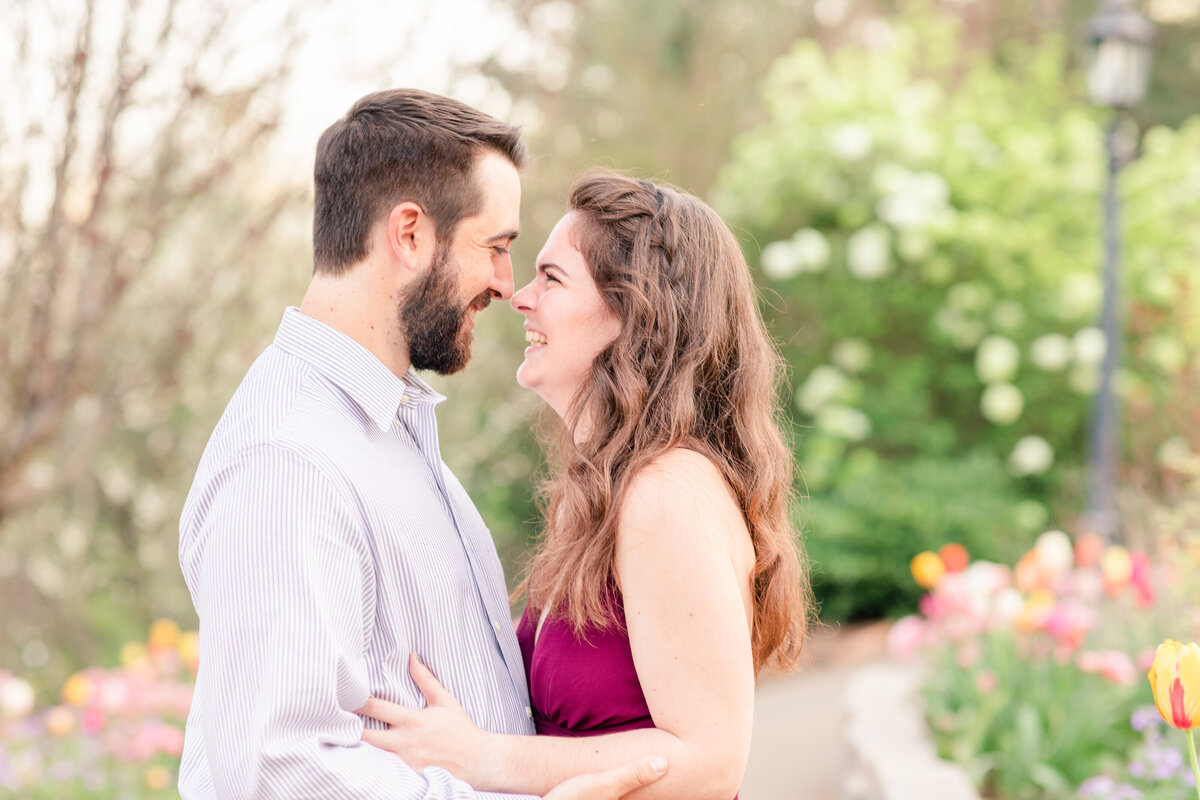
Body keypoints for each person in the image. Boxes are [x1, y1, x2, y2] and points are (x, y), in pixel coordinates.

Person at [177, 91, 667, 800]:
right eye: (495, 247)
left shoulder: (384, 430)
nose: (507, 284)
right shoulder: (288, 461)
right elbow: (278, 770)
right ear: (409, 234)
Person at [357, 171, 812, 799]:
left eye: (552, 278)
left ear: (633, 313)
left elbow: (710, 762)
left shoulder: (667, 493)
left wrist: (483, 757)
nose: (519, 296)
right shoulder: (605, 492)